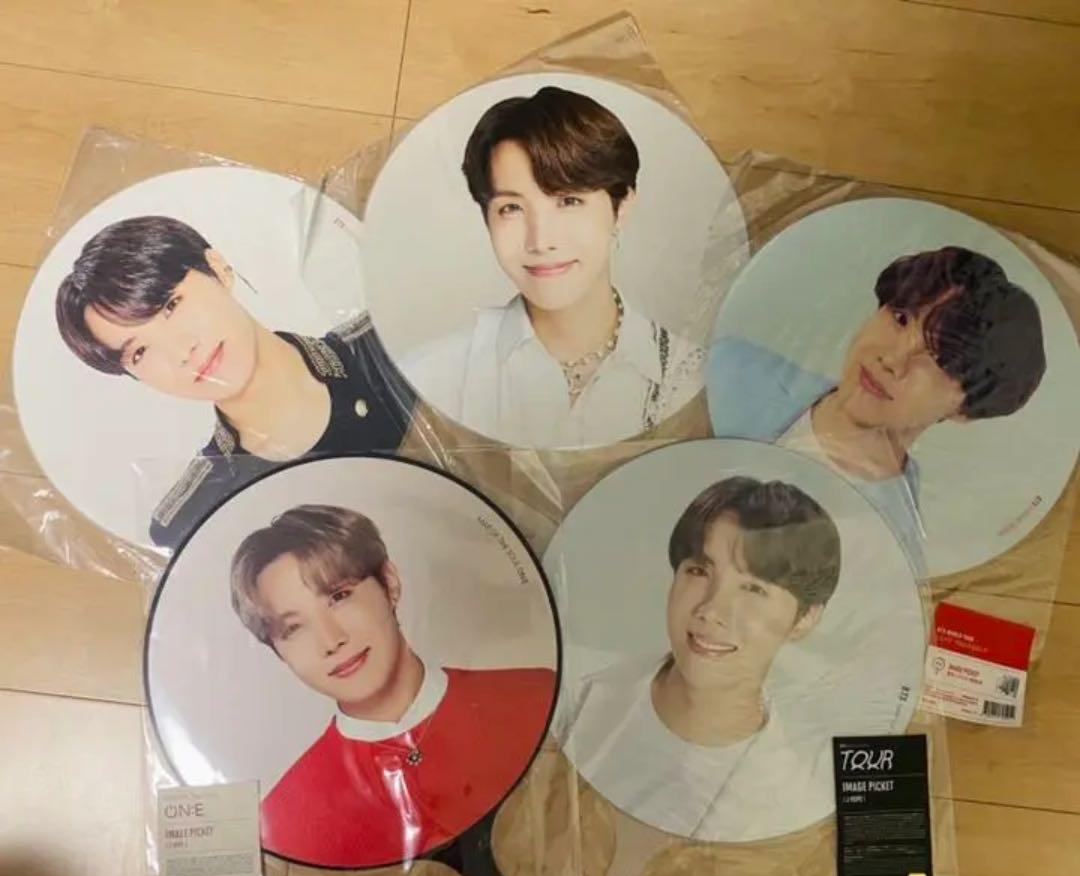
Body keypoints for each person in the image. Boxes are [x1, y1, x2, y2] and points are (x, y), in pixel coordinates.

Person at [55, 215, 417, 549]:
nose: (182, 351)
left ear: (219, 269)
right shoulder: (196, 518)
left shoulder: (390, 344)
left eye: (171, 306)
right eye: (140, 352)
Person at [229, 504, 556, 868]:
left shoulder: (537, 695)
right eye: (293, 628)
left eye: (339, 597)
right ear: (277, 651)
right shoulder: (283, 820)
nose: (331, 640)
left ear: (390, 583)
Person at [706, 246, 1047, 572]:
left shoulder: (893, 547)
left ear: (965, 409)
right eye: (900, 318)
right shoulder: (728, 367)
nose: (892, 359)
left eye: (939, 359)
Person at [400, 85, 704, 449]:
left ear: (621, 207)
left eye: (568, 201)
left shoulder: (692, 377)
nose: (541, 240)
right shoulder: (435, 374)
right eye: (511, 208)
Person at [561, 476, 843, 842]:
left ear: (805, 618)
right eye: (698, 571)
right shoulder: (567, 688)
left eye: (753, 588)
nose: (711, 609)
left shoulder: (794, 809)